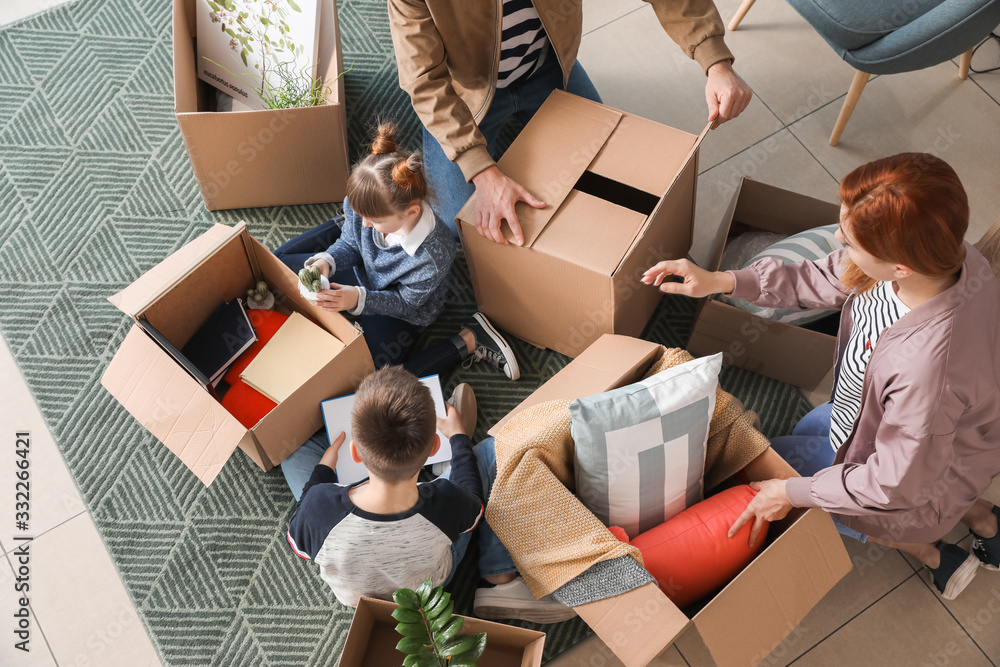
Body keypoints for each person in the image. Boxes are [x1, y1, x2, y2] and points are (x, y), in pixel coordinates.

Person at [641, 152, 1000, 600]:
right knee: (830, 447)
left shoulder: (929, 372)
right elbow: (830, 277)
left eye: (849, 240)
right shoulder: (952, 257)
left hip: (904, 469)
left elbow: (891, 485)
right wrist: (724, 281)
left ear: (899, 266)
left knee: (834, 501)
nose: (836, 239)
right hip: (925, 444)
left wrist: (790, 493)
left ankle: (934, 553)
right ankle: (985, 520)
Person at [388, 0, 753, 245]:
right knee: (460, 223)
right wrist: (481, 170)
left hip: (546, 68)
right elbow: (424, 80)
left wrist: (715, 61)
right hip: (465, 93)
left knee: (613, 178)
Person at [284, 367, 575, 622]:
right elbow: (474, 502)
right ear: (435, 446)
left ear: (355, 454)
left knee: (293, 454)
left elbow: (300, 538)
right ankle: (499, 578)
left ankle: (367, 460)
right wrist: (459, 440)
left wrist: (324, 471)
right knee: (492, 451)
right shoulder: (445, 502)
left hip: (361, 598)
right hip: (428, 584)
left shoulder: (317, 507)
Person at [273, 122, 520, 381]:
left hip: (401, 310)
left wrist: (357, 300)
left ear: (411, 212)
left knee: (376, 379)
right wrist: (326, 260)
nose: (366, 225)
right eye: (360, 214)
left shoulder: (433, 255)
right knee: (279, 267)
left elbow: (405, 303)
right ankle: (340, 224)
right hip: (365, 274)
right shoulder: (362, 213)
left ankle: (469, 339)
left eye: (374, 220)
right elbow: (350, 243)